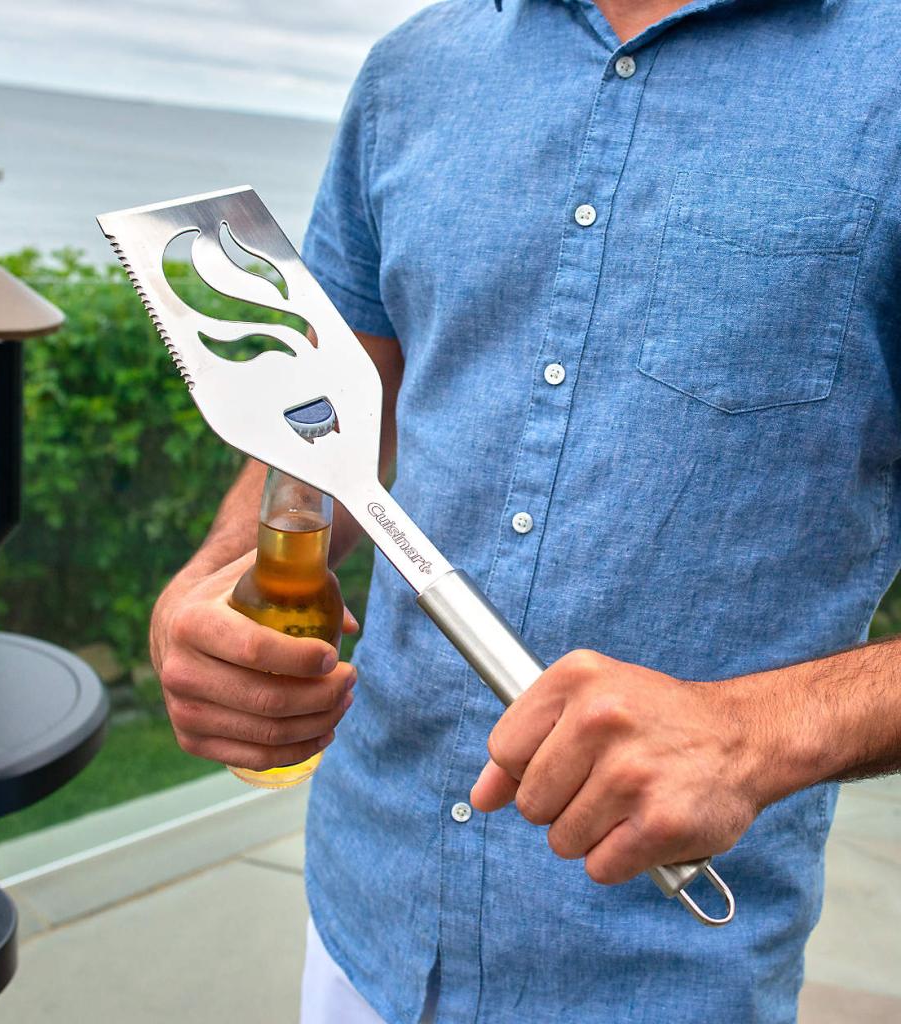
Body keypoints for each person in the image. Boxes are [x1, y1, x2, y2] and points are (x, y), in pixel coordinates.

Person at [149, 0, 901, 1020]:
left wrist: (755, 731)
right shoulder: (411, 69)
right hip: (361, 915)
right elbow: (323, 412)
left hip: (657, 969)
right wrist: (212, 585)